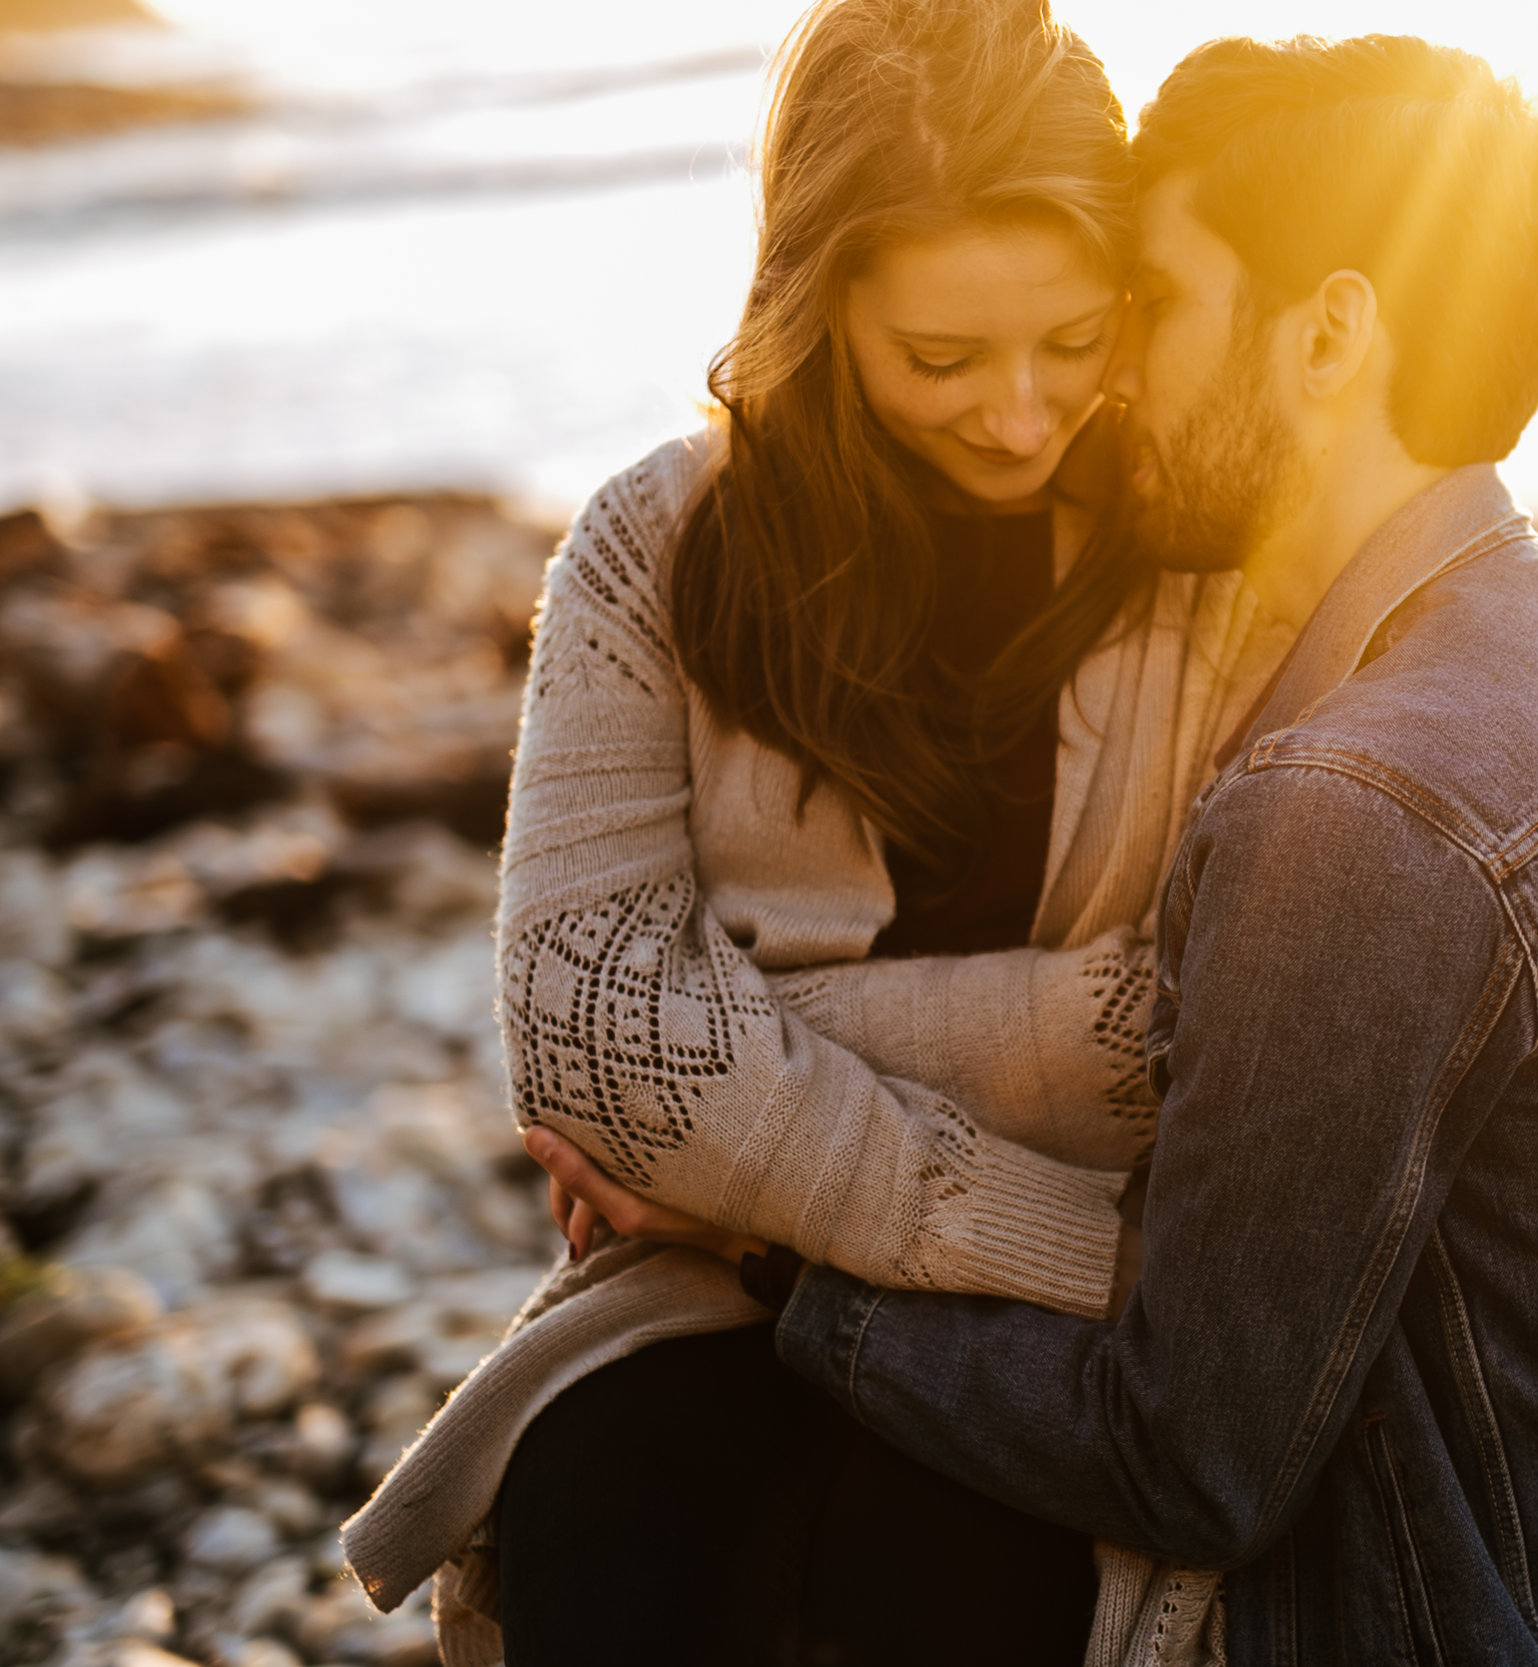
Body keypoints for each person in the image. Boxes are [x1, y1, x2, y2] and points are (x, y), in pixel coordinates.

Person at [532, 30, 1538, 1667]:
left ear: (1324, 335)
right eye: (947, 355)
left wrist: (748, 1179)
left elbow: (1187, 1442)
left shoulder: (1358, 803)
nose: (1078, 401)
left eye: (1139, 314)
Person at [338, 2, 1295, 1663]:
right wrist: (1072, 1170)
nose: (1018, 412)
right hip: (741, 1298)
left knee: (948, 1576)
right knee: (598, 1513)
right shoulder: (658, 547)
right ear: (812, 304)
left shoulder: (1210, 560)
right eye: (940, 359)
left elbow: (1217, 1020)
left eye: (1074, 338)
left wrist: (745, 1124)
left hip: (1045, 1353)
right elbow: (584, 1037)